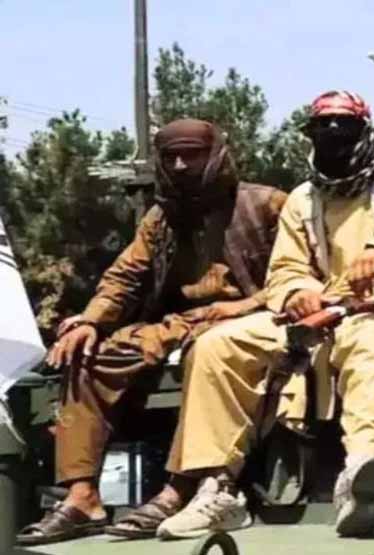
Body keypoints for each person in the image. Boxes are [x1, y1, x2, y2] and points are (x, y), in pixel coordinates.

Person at [150, 90, 374, 539]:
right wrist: (300, 291)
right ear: (309, 134)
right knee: (217, 345)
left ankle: (363, 478)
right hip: (326, 310)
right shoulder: (304, 197)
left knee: (371, 340)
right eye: (322, 125)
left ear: (366, 129)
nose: (333, 132)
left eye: (344, 124)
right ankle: (217, 489)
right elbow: (286, 268)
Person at [17, 119, 288, 546]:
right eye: (170, 156)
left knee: (209, 351)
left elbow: (300, 275)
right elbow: (125, 277)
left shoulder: (266, 205)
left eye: (191, 155)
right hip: (179, 323)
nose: (179, 165)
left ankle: (180, 490)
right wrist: (90, 321)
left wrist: (245, 305)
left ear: (215, 155)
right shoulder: (161, 219)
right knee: (86, 354)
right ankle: (82, 497)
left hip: (248, 320)